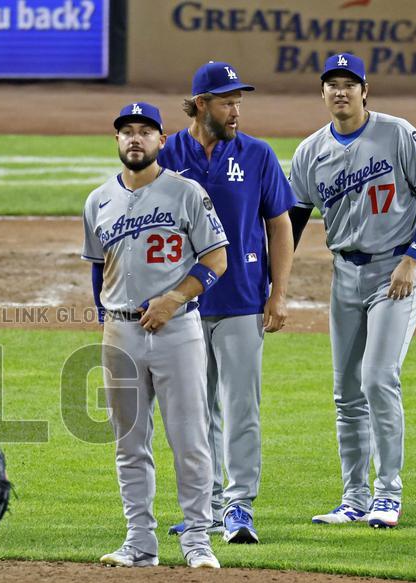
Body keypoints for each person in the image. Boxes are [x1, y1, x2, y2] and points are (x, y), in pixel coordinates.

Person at [289, 53, 416, 528]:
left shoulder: (396, 132)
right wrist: (273, 279)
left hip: (397, 272)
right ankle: (354, 498)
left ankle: (388, 494)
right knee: (346, 393)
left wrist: (411, 257)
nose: (341, 91)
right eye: (332, 83)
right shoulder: (309, 152)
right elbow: (293, 220)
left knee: (378, 378)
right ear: (323, 93)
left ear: (365, 90)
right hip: (346, 276)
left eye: (349, 83)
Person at [83, 102, 229, 570]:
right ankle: (139, 543)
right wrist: (107, 317)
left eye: (144, 131)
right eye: (126, 131)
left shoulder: (187, 193)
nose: (134, 139)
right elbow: (97, 270)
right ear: (117, 140)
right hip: (120, 333)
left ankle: (197, 541)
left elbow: (216, 261)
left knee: (189, 440)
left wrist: (172, 298)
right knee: (129, 443)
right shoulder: (98, 200)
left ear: (161, 140)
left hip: (177, 329)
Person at [160, 61, 296, 544]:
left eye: (239, 100)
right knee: (195, 411)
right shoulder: (166, 152)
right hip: (186, 304)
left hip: (242, 299)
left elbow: (280, 223)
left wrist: (278, 293)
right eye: (227, 100)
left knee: (241, 408)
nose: (236, 109)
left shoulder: (257, 154)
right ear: (201, 104)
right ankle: (207, 507)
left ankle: (239, 507)